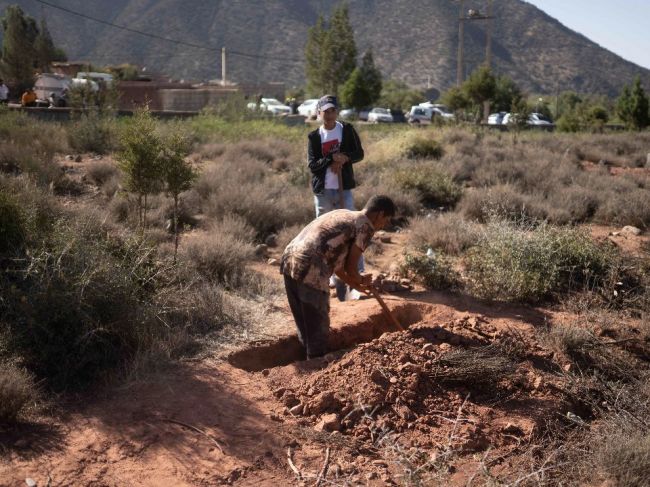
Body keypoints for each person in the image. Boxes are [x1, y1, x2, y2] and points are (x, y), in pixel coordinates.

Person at [280, 195, 396, 359]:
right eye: (386, 220)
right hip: (312, 267)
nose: (384, 225)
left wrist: (356, 285)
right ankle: (316, 367)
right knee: (318, 325)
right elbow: (351, 266)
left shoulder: (344, 214)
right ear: (380, 214)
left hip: (289, 260)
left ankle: (307, 361)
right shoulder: (366, 226)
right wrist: (361, 279)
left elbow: (339, 267)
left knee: (305, 322)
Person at [308, 94, 366, 300]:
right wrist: (331, 158)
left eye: (333, 110)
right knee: (324, 234)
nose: (329, 114)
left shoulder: (347, 130)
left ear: (337, 112)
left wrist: (345, 158)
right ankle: (329, 275)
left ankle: (357, 273)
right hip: (324, 192)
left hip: (344, 188)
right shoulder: (315, 137)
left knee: (353, 229)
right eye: (326, 111)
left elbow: (359, 153)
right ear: (319, 112)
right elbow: (313, 166)